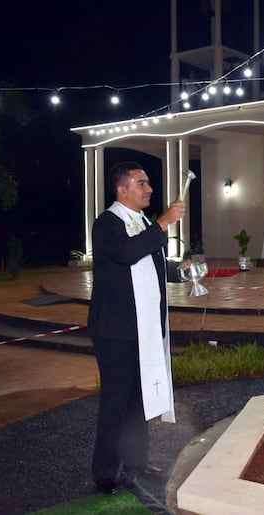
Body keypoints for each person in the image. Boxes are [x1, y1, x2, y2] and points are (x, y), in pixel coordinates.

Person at [88, 162, 186, 495]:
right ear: (122, 189)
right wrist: (164, 221)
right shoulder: (106, 224)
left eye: (147, 184)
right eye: (142, 184)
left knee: (138, 400)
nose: (149, 189)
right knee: (116, 400)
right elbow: (128, 253)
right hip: (115, 330)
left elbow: (149, 263)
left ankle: (135, 460)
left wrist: (181, 271)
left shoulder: (142, 223)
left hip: (142, 327)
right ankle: (104, 472)